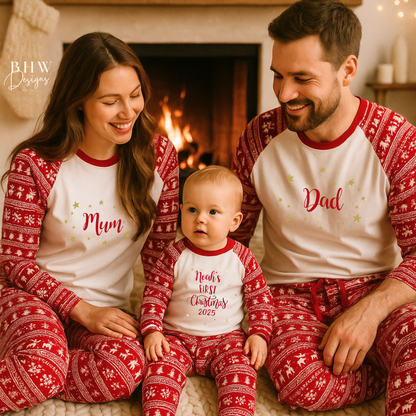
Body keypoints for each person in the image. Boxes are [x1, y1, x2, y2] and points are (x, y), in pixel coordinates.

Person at [231, 0, 416, 414]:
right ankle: (384, 372)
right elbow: (230, 241)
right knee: (300, 385)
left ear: (347, 70)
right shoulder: (258, 138)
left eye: (302, 78)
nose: (283, 93)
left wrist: (368, 315)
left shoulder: (398, 142)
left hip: (377, 290)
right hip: (290, 296)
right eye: (278, 75)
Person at [0, 32, 179, 412]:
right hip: (31, 296)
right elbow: (14, 262)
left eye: (135, 94)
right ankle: (39, 362)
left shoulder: (159, 156)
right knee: (41, 370)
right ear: (78, 101)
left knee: (128, 367)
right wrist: (80, 309)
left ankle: (40, 360)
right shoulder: (36, 163)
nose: (128, 111)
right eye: (110, 101)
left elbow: (162, 257)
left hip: (106, 309)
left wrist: (157, 325)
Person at [140, 165, 273, 416]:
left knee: (242, 373)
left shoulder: (242, 258)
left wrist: (259, 334)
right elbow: (154, 294)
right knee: (157, 375)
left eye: (213, 212)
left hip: (226, 340)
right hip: (175, 338)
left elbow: (260, 300)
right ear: (181, 212)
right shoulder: (173, 255)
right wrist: (152, 330)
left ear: (234, 221)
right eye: (192, 210)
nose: (200, 218)